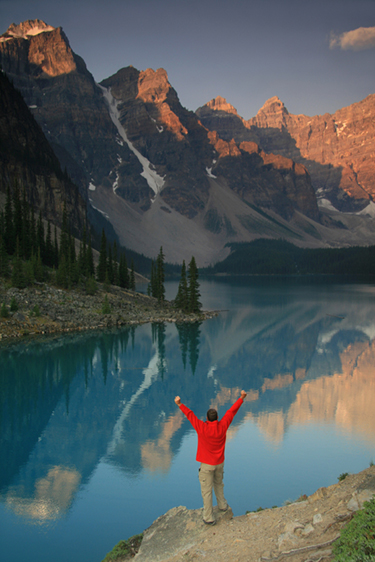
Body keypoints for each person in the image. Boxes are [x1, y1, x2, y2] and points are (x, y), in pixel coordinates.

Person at [174, 390, 247, 525]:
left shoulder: (202, 427)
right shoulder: (223, 425)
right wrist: (241, 398)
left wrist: (179, 404)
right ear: (217, 418)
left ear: (207, 419)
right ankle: (222, 506)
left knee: (207, 491)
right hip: (219, 463)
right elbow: (231, 412)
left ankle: (209, 517)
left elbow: (190, 416)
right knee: (219, 484)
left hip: (207, 465)